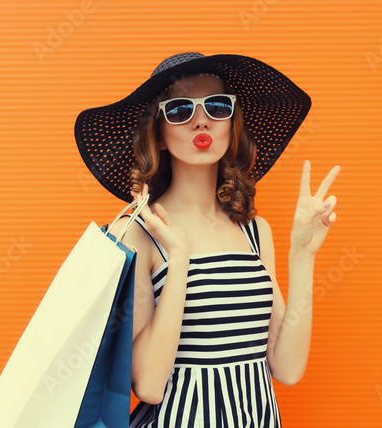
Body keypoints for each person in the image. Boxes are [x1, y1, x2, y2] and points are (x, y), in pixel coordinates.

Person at [75, 52, 340, 427]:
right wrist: (180, 256)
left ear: (232, 124)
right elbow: (149, 385)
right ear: (160, 134)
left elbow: (287, 368)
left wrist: (303, 255)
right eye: (180, 110)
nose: (202, 119)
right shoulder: (137, 231)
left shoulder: (254, 232)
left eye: (217, 106)